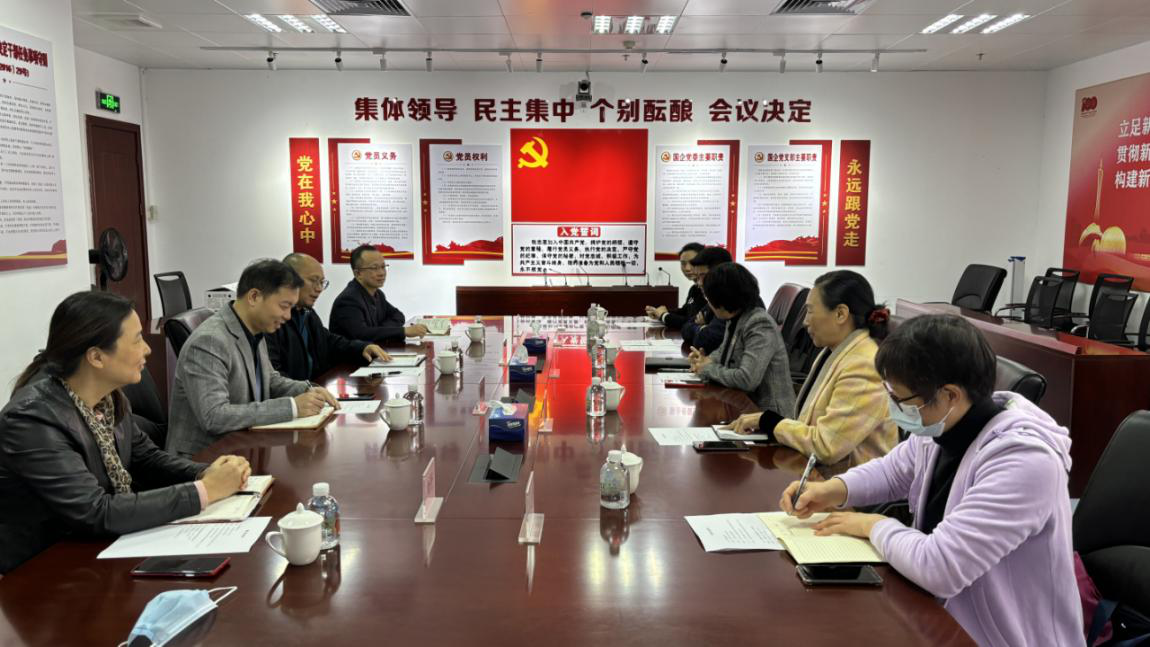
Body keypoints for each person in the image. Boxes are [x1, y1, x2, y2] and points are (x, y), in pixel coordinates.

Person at [779, 314, 1079, 647]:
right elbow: (893, 471)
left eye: (901, 400)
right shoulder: (943, 426)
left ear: (950, 395)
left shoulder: (1025, 461)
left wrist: (871, 525)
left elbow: (941, 568)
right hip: (938, 617)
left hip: (1002, 637)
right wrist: (833, 490)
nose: (894, 408)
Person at [0, 292, 251, 574]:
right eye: (136, 340)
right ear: (96, 357)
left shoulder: (108, 398)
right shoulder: (32, 419)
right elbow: (95, 511)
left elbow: (146, 458)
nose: (147, 349)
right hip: (43, 571)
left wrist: (207, 473)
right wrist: (204, 491)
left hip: (100, 550)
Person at [728, 270, 896, 475]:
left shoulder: (864, 364)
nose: (805, 321)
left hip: (850, 487)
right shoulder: (836, 349)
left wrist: (769, 422)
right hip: (820, 473)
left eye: (810, 311)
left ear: (840, 314)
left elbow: (826, 446)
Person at [167, 260, 339, 457]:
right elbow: (214, 416)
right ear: (254, 297)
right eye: (284, 306)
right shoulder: (210, 340)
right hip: (203, 459)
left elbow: (270, 380)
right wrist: (292, 407)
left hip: (242, 447)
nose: (288, 316)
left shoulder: (254, 330)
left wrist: (307, 389)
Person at [689, 263, 795, 416]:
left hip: (769, 416)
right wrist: (703, 361)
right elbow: (721, 353)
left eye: (707, 297)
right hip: (741, 406)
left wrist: (707, 368)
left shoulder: (759, 323)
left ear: (720, 300)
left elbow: (747, 379)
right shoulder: (735, 318)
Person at [268, 253, 391, 381]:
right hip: (300, 391)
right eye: (313, 280)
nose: (319, 288)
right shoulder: (272, 321)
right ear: (289, 280)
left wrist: (362, 348)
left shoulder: (307, 313)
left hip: (317, 386)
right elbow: (273, 375)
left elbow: (329, 341)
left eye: (322, 282)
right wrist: (306, 389)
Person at [329, 244, 428, 345]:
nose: (381, 273)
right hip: (353, 355)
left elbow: (398, 316)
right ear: (358, 273)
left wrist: (378, 330)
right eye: (374, 268)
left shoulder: (378, 294)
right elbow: (361, 335)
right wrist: (403, 331)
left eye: (383, 267)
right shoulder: (348, 300)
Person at [681, 246, 732, 355]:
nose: (699, 283)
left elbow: (707, 341)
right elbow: (686, 328)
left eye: (703, 276)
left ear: (720, 272)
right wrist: (703, 329)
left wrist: (703, 329)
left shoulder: (732, 300)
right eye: (697, 277)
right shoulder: (713, 298)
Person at [645, 242, 704, 329]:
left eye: (692, 262)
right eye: (683, 263)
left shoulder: (709, 290)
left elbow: (691, 322)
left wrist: (664, 315)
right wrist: (659, 312)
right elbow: (684, 311)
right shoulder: (694, 288)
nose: (687, 268)